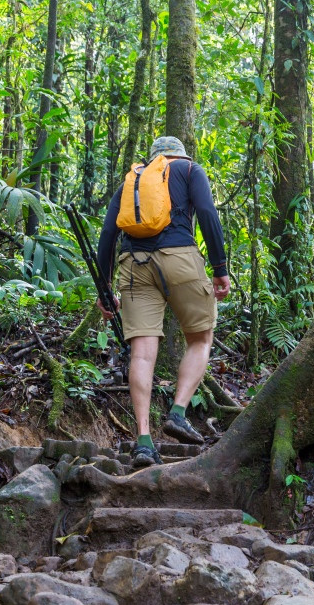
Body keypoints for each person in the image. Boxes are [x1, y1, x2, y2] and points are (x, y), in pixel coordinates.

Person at [96, 136, 230, 468]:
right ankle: (178, 413)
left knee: (142, 353)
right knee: (200, 338)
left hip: (133, 265)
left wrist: (104, 288)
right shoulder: (190, 170)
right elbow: (207, 213)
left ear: (154, 158)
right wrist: (220, 268)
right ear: (179, 155)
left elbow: (108, 234)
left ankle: (143, 442)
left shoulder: (133, 181)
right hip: (180, 258)